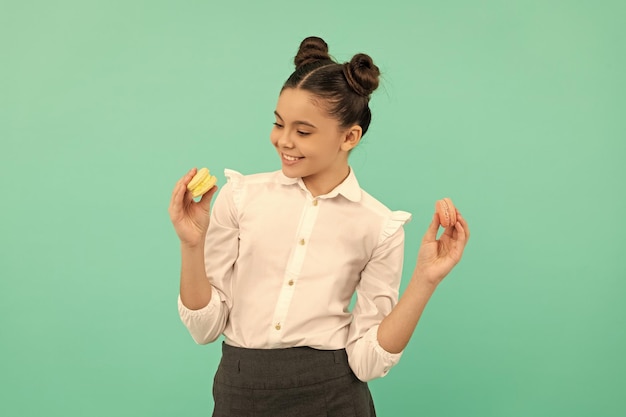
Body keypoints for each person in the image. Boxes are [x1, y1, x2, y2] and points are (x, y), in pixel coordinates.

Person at [168, 36, 470, 417]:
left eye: (303, 131)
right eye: (278, 124)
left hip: (333, 394)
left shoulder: (379, 225)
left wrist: (425, 279)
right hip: (240, 388)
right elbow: (205, 328)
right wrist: (191, 245)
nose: (284, 141)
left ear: (349, 136)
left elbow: (366, 361)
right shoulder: (240, 197)